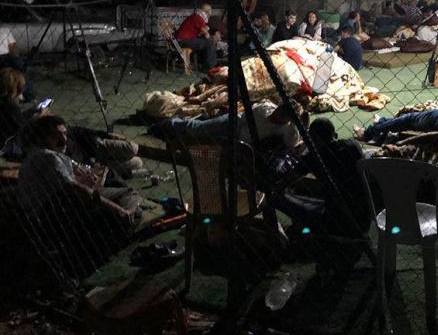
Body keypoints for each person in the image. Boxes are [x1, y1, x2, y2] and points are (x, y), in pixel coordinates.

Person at [18, 115, 143, 229]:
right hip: (57, 213)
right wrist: (119, 210)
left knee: (130, 169)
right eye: (55, 136)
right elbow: (76, 190)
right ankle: (126, 216)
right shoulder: (48, 157)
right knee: (129, 196)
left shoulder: (36, 154)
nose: (63, 140)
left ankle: (123, 217)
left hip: (55, 211)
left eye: (64, 134)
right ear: (42, 138)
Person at [272, 118, 370, 238]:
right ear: (335, 135)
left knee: (278, 197)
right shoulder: (352, 145)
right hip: (364, 219)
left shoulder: (315, 157)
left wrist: (305, 147)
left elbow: (286, 180)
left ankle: (304, 232)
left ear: (311, 138)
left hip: (336, 223)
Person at [161, 100, 305, 154]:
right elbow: (243, 120)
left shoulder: (287, 129)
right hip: (234, 123)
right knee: (200, 128)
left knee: (205, 142)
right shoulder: (265, 108)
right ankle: (172, 123)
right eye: (277, 112)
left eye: (281, 117)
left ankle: (179, 137)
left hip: (240, 143)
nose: (275, 117)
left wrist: (294, 122)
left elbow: (292, 142)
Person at [174, 4, 217, 70]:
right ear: (207, 12)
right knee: (210, 42)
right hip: (182, 42)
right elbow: (206, 35)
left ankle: (205, 65)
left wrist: (206, 30)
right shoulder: (198, 18)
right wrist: (210, 35)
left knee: (206, 42)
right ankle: (210, 68)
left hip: (180, 41)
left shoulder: (196, 16)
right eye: (211, 11)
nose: (211, 14)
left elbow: (202, 31)